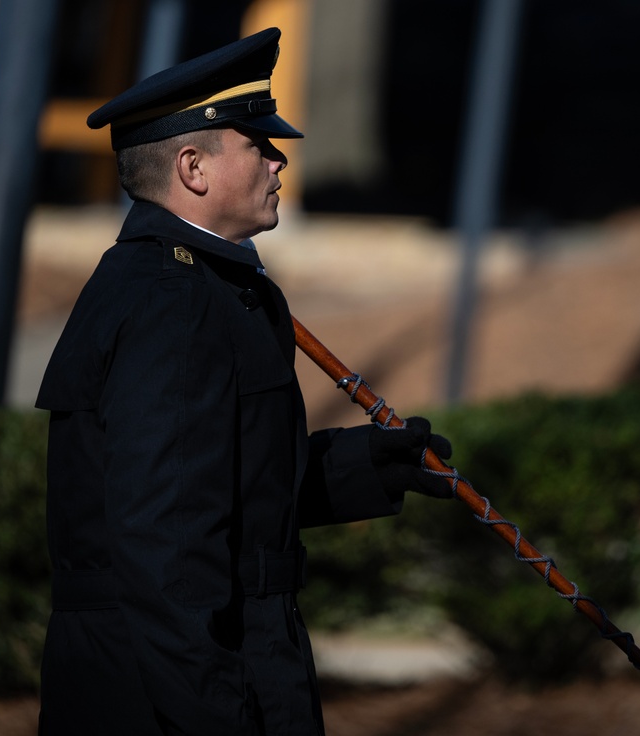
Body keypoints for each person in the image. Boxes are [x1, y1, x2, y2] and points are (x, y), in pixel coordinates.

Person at [35, 27, 453, 736]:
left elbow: (224, 491)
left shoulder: (199, 287)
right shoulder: (175, 303)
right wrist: (220, 714)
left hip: (191, 664)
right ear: (192, 168)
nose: (278, 158)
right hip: (172, 687)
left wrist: (367, 464)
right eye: (256, 143)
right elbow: (162, 546)